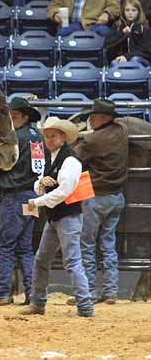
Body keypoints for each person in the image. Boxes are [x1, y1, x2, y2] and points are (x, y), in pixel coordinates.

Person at [21, 117, 95, 318]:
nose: (49, 140)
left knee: (71, 261)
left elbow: (65, 191)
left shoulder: (70, 160)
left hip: (67, 216)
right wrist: (41, 185)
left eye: (53, 136)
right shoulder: (54, 157)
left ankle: (85, 306)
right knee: (43, 259)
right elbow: (39, 184)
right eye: (47, 136)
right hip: (57, 217)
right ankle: (38, 303)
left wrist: (38, 201)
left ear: (63, 137)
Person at [68, 99, 129, 305]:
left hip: (95, 196)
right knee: (108, 244)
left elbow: (75, 158)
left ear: (105, 118)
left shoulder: (94, 140)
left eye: (93, 116)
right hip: (116, 196)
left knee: (86, 244)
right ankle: (111, 291)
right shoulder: (121, 131)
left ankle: (90, 291)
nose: (90, 120)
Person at [0, 98, 43, 307]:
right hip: (34, 196)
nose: (11, 120)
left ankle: (2, 293)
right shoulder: (39, 137)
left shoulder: (15, 138)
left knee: (5, 246)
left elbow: (3, 163)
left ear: (24, 117)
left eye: (15, 116)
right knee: (25, 247)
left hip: (16, 194)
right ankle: (32, 293)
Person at [105, 0, 151, 66]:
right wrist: (122, 33)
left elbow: (145, 50)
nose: (130, 13)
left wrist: (127, 57)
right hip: (121, 58)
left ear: (139, 12)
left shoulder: (144, 27)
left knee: (134, 60)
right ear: (123, 11)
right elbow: (107, 44)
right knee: (114, 63)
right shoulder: (117, 26)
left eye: (134, 10)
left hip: (141, 59)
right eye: (127, 10)